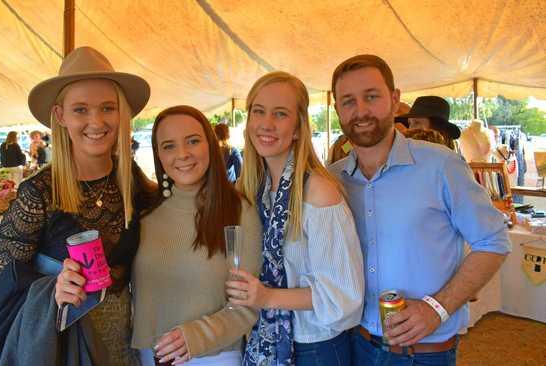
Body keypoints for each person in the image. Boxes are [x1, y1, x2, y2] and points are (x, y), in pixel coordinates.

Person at [0, 46, 154, 365]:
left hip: (124, 347)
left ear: (121, 113)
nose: (96, 121)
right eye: (80, 109)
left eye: (107, 107)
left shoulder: (134, 183)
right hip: (62, 349)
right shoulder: (37, 194)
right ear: (60, 115)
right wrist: (52, 291)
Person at [328, 54, 510, 365]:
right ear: (336, 110)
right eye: (348, 101)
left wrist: (436, 308)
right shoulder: (333, 180)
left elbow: (494, 241)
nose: (360, 111)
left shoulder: (441, 166)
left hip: (423, 354)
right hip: (354, 344)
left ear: (395, 99)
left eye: (371, 97)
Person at [226, 71, 364, 365]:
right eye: (258, 112)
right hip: (267, 339)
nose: (266, 124)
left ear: (299, 127)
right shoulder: (254, 188)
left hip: (316, 347)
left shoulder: (318, 192)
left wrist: (266, 297)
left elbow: (343, 295)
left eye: (280, 114)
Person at [132, 105, 262, 365]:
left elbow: (249, 304)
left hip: (214, 356)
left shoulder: (238, 211)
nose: (182, 154)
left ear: (211, 145)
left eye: (192, 141)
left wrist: (197, 336)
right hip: (149, 356)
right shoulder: (145, 212)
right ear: (158, 154)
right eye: (168, 146)